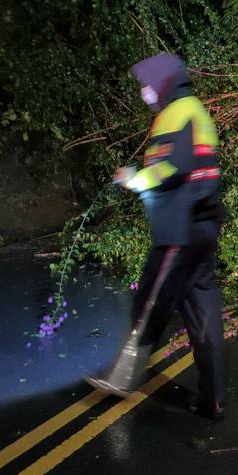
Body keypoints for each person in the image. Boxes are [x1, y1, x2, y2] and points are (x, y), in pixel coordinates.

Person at [86, 53, 226, 422]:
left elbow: (172, 167)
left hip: (177, 232)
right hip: (204, 227)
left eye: (147, 85)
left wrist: (135, 179)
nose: (145, 92)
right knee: (203, 315)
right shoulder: (197, 111)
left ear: (164, 83)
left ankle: (120, 378)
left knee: (148, 305)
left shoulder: (175, 112)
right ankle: (211, 399)